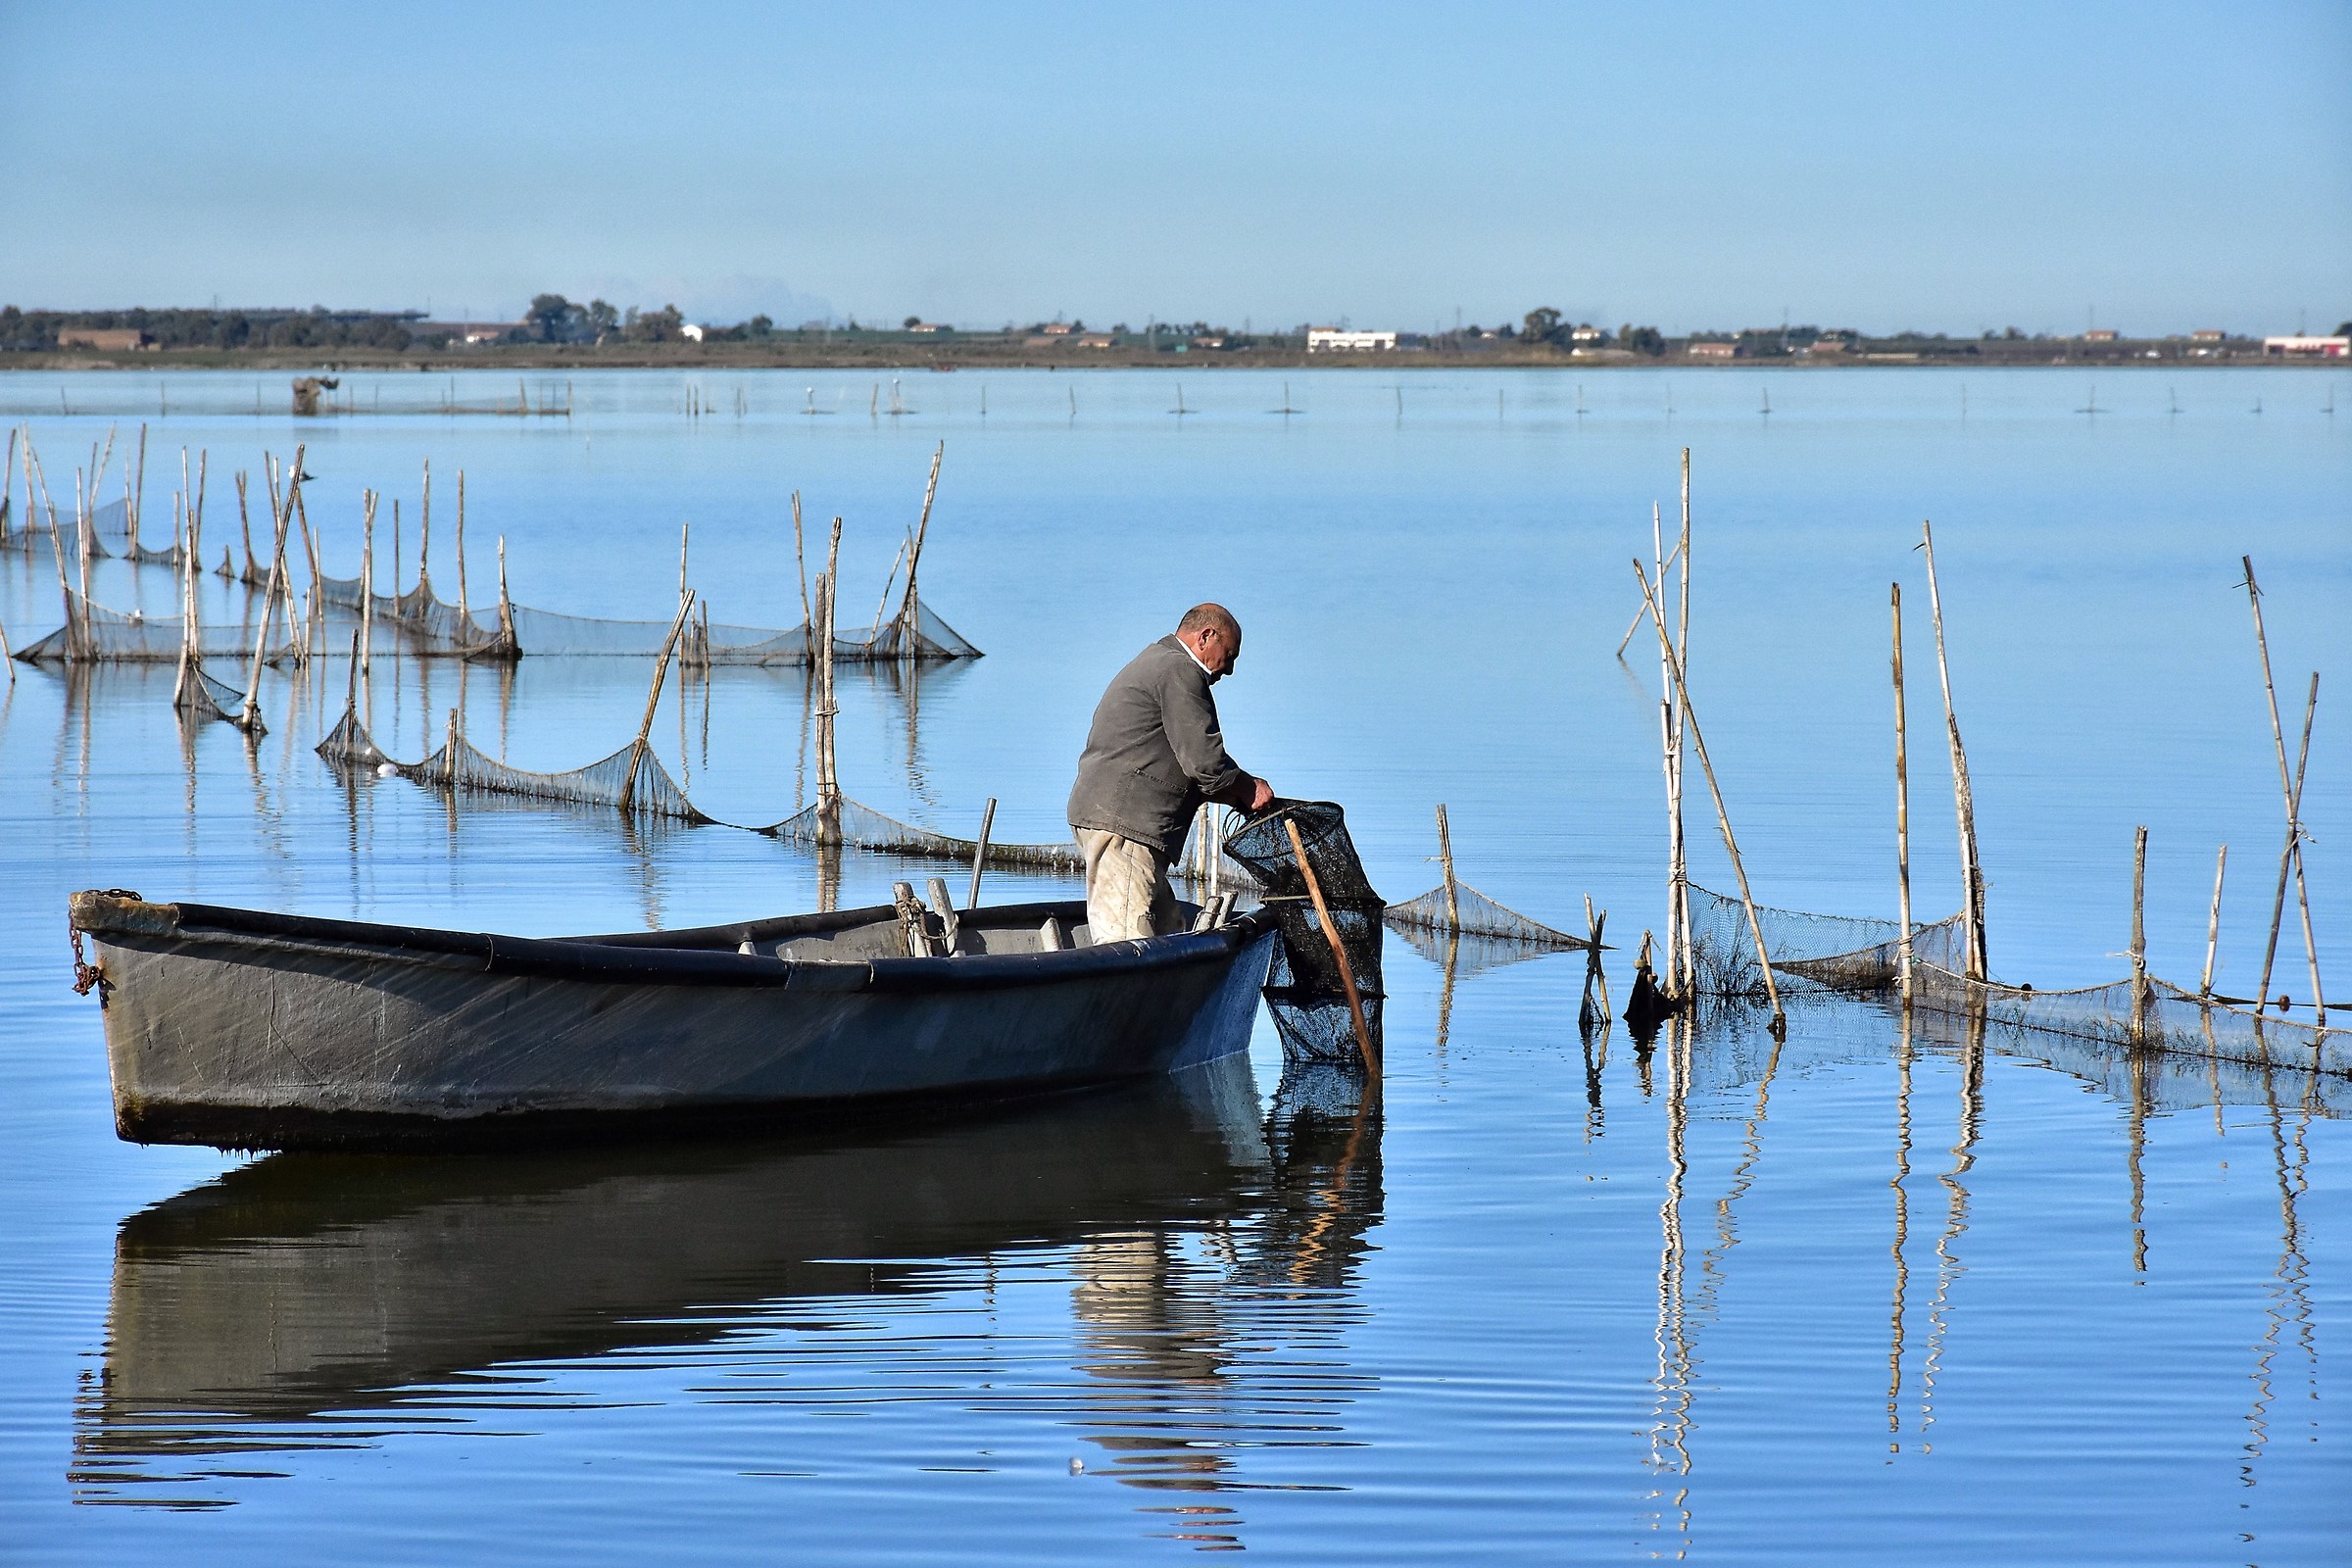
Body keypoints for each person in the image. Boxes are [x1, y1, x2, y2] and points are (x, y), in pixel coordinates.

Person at [1067, 603, 1275, 943]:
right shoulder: (1179, 669)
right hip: (1125, 826)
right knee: (1127, 946)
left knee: (1168, 932)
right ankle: (1129, 996)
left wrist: (1234, 791)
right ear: (1206, 637)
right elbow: (1204, 763)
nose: (1231, 668)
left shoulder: (1160, 662)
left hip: (1119, 822)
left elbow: (1187, 765)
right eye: (1230, 654)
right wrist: (1247, 786)